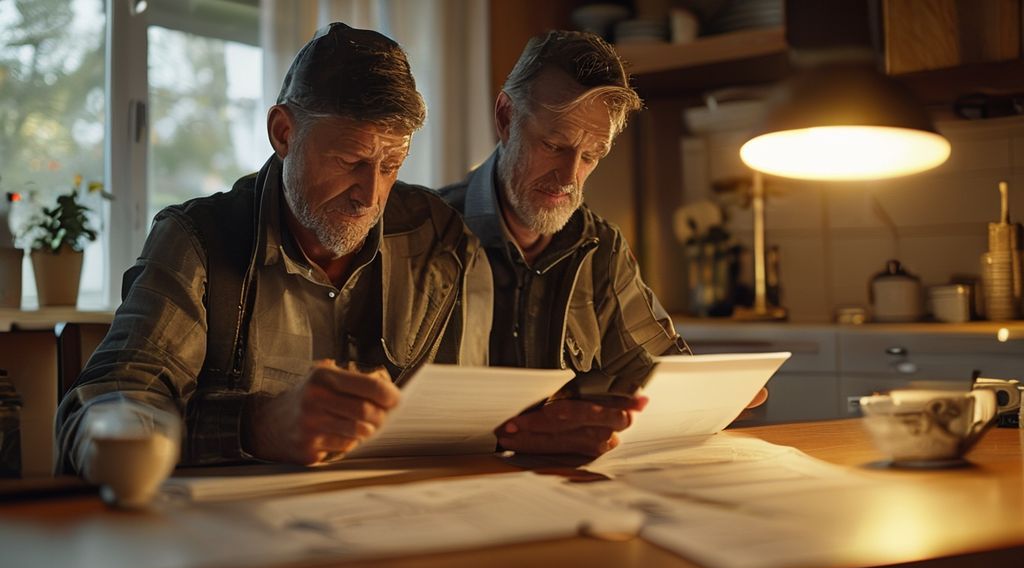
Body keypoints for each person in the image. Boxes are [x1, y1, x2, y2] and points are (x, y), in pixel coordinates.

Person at [56, 22, 491, 476]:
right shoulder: (198, 240)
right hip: (226, 536)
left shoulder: (441, 241)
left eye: (391, 165)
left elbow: (465, 422)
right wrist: (255, 429)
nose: (371, 195)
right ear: (283, 133)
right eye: (349, 161)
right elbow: (110, 403)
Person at [441, 30, 764, 459]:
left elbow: (659, 374)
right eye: (554, 145)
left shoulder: (600, 246)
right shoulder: (427, 233)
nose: (569, 176)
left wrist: (714, 395)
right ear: (505, 117)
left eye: (592, 155)